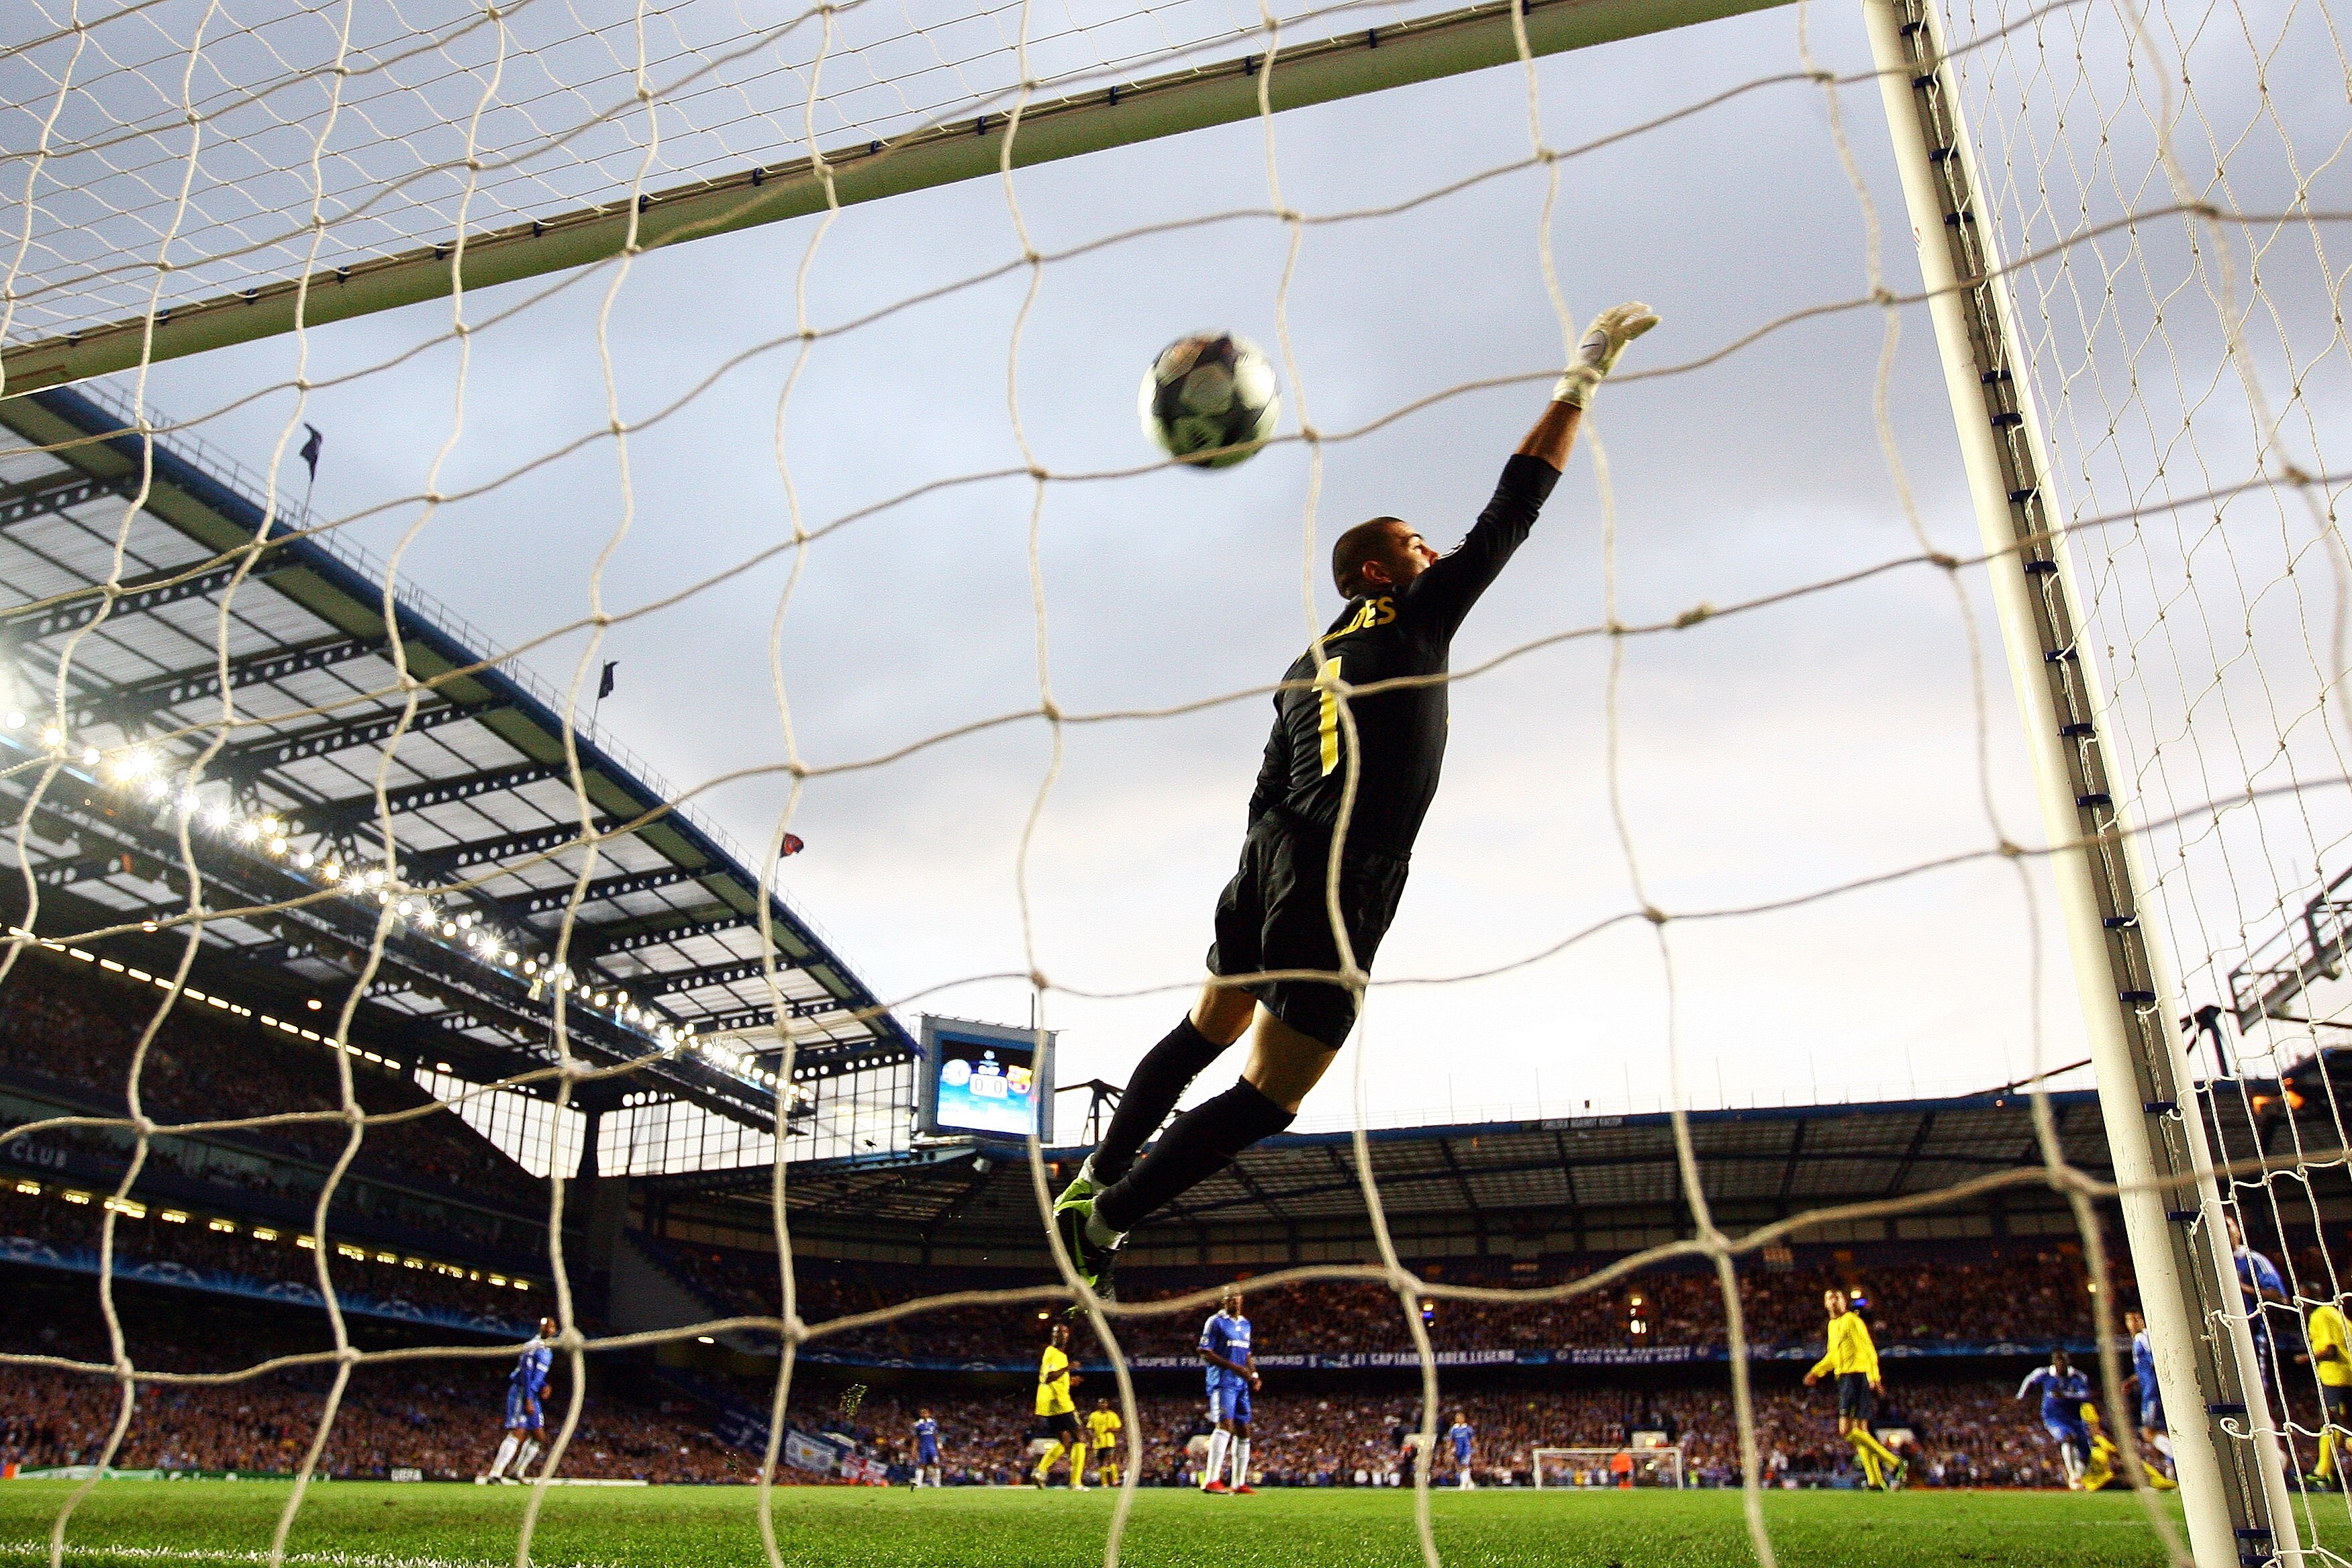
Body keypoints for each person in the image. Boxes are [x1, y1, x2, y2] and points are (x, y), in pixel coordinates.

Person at [1048, 305, 1661, 1293]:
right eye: (1419, 545)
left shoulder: (1304, 665)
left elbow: (1262, 787)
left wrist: (1270, 873)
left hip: (1266, 859)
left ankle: (1095, 1173)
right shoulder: (1415, 620)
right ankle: (1106, 1223)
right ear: (1381, 571)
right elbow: (1515, 507)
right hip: (1345, 877)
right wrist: (1580, 378)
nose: (1435, 554)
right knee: (1268, 1094)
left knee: (1209, 1025)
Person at [1801, 1288, 1904, 1489]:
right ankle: (1875, 1481)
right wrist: (1816, 1371)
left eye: (1837, 1298)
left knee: (1846, 1430)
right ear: (1825, 1304)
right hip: (1845, 1377)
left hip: (1855, 1376)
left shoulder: (1852, 1320)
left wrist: (1874, 1377)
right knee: (1860, 1431)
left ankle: (1894, 1462)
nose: (1833, 1301)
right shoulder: (1833, 1325)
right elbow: (1833, 1355)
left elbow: (1868, 1349)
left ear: (1844, 1302)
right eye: (1829, 1298)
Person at [478, 1316, 558, 1484]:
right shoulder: (532, 1346)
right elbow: (526, 1373)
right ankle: (495, 1474)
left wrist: (544, 1385)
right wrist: (528, 1398)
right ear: (540, 1328)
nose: (547, 1329)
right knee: (518, 1433)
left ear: (554, 1331)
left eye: (550, 1327)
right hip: (522, 1392)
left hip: (534, 1394)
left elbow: (537, 1374)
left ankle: (517, 1471)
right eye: (544, 1326)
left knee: (539, 1437)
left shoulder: (548, 1351)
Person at [1199, 1287, 1260, 1495]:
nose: (1234, 1300)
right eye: (1230, 1298)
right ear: (1222, 1301)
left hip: (1241, 1383)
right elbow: (1205, 1352)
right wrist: (1236, 1368)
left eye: (1237, 1297)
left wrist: (1254, 1374)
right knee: (1225, 1425)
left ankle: (1238, 1483)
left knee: (1244, 1430)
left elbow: (1247, 1352)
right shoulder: (1215, 1322)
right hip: (1223, 1381)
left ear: (1242, 1299)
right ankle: (1211, 1480)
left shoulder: (1245, 1324)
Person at [2229, 1212, 2288, 1398]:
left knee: (2257, 1390)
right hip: (2221, 1333)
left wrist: (2242, 1287)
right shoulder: (2206, 1263)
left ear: (2238, 1231)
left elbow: (2279, 1296)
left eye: (2228, 1226)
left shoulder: (2253, 1260)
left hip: (2251, 1333)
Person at [2019, 1348, 2096, 1489]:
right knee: (2068, 1438)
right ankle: (2073, 1477)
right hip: (2053, 1417)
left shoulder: (2077, 1376)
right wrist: (2020, 1397)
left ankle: (2079, 1477)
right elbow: (2029, 1380)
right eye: (2058, 1360)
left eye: (2063, 1360)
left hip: (2075, 1418)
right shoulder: (2044, 1374)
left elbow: (2086, 1396)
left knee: (2086, 1454)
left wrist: (2065, 1395)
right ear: (2054, 1362)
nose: (2060, 1363)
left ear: (2068, 1361)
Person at [2300, 1294, 2352, 1489]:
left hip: (2335, 1377)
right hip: (2347, 1376)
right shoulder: (2339, 1316)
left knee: (2334, 1424)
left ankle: (2322, 1472)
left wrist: (2304, 1358)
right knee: (2337, 1427)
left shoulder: (2321, 1314)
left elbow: (2330, 1350)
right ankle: (2323, 1472)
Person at [1032, 1322, 1085, 1490]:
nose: (1061, 1335)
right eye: (1057, 1333)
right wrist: (1069, 1367)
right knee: (1080, 1438)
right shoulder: (1053, 1352)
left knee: (1064, 1441)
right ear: (1053, 1336)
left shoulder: (1058, 1355)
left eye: (1064, 1332)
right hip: (1059, 1403)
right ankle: (1075, 1482)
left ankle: (1040, 1471)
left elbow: (1055, 1377)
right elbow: (1048, 1377)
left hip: (1049, 1404)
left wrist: (1069, 1381)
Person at [2122, 1309, 2172, 1481]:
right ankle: (2172, 1471)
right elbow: (2144, 1368)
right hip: (2151, 1389)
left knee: (2149, 1433)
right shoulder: (2141, 1339)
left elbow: (2156, 1361)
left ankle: (2177, 1458)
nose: (2132, 1324)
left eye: (2136, 1319)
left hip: (2153, 1392)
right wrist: (2132, 1381)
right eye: (2129, 1320)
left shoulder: (2144, 1338)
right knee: (2166, 1431)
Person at [1085, 1398, 1124, 1488]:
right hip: (1098, 1442)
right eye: (1101, 1403)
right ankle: (1104, 1483)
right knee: (1101, 1462)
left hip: (1109, 1441)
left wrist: (1110, 1429)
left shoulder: (1112, 1415)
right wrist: (1093, 1437)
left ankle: (1115, 1481)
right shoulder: (1094, 1415)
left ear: (1107, 1404)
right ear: (1098, 1405)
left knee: (1111, 1459)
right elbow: (1089, 1428)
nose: (1103, 1405)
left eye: (1104, 1403)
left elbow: (1118, 1427)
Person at [912, 1407, 942, 1488]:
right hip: (923, 1448)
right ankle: (918, 1484)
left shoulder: (933, 1423)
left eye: (926, 1413)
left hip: (932, 1448)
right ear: (920, 1414)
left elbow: (937, 1435)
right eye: (922, 1413)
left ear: (929, 1414)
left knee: (936, 1464)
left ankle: (937, 1484)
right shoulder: (918, 1425)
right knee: (922, 1465)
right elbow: (916, 1438)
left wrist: (940, 1446)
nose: (924, 1414)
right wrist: (914, 1450)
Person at [1447, 1412, 1476, 1491]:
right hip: (1458, 1450)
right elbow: (1451, 1440)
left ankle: (1463, 1485)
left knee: (1465, 1466)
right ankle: (1470, 1483)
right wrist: (1449, 1450)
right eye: (1457, 1418)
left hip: (1466, 1450)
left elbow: (1473, 1440)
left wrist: (1476, 1449)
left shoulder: (1468, 1429)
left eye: (1460, 1417)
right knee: (1461, 1468)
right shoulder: (1454, 1429)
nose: (1458, 1419)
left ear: (1464, 1419)